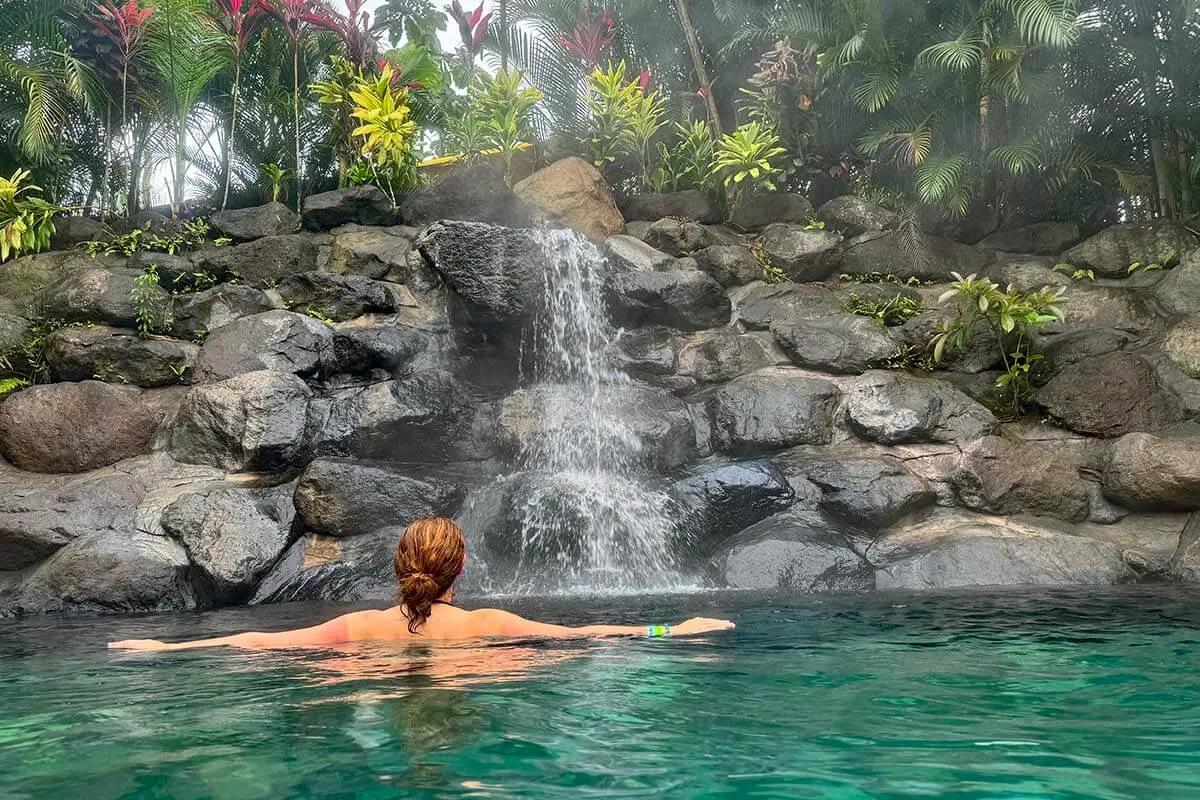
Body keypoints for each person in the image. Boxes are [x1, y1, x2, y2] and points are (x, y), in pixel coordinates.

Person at [109, 517, 734, 651]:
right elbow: (594, 631)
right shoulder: (493, 625)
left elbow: (249, 643)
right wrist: (674, 628)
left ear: (398, 566)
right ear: (461, 569)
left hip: (374, 684)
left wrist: (167, 649)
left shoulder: (356, 628)